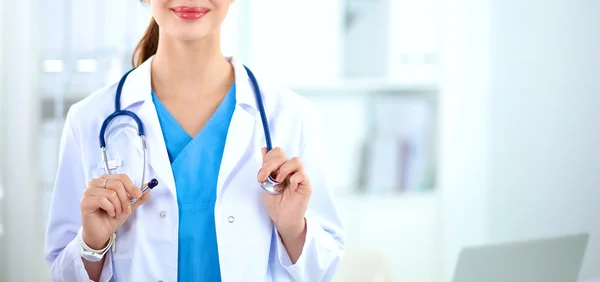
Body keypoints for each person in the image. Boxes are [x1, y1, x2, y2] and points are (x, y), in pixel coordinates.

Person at [43, 0, 345, 281]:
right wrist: (92, 243)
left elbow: (323, 270)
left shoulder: (293, 117)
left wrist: (292, 228)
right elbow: (61, 272)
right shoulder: (89, 119)